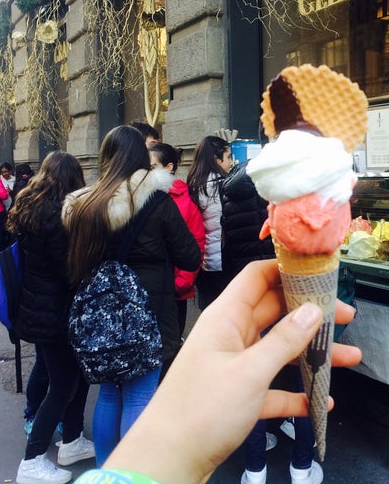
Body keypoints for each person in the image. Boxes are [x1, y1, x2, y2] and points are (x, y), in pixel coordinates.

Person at [73, 259, 362, 484]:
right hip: (172, 308)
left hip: (221, 297)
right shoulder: (165, 203)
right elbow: (187, 250)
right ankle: (301, 466)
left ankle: (255, 470)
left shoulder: (87, 206)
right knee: (296, 383)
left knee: (249, 388)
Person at [63, 125, 201, 466]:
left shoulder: (85, 204)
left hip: (100, 313)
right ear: (141, 156)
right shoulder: (157, 199)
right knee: (140, 395)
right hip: (149, 310)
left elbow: (74, 264)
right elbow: (190, 257)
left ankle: (107, 470)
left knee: (109, 393)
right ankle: (135, 471)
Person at [221, 162, 321, 484]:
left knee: (254, 385)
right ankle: (302, 469)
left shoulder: (230, 193)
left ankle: (255, 471)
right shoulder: (291, 194)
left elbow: (229, 253)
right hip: (290, 300)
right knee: (303, 383)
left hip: (250, 303)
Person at [9, 151, 94, 484]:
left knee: (73, 378)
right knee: (62, 386)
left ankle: (72, 440)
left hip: (39, 311)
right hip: (55, 314)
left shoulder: (30, 207)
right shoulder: (57, 216)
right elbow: (67, 270)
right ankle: (31, 461)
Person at [149, 142, 205, 350]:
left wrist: (181, 282)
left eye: (152, 166)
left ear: (169, 167)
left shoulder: (184, 201)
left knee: (169, 348)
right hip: (149, 288)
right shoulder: (142, 196)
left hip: (175, 290)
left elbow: (196, 242)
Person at [187, 135, 232, 309]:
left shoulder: (193, 184)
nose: (230, 162)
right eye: (228, 157)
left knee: (207, 308)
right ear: (216, 159)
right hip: (222, 259)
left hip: (203, 262)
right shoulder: (223, 185)